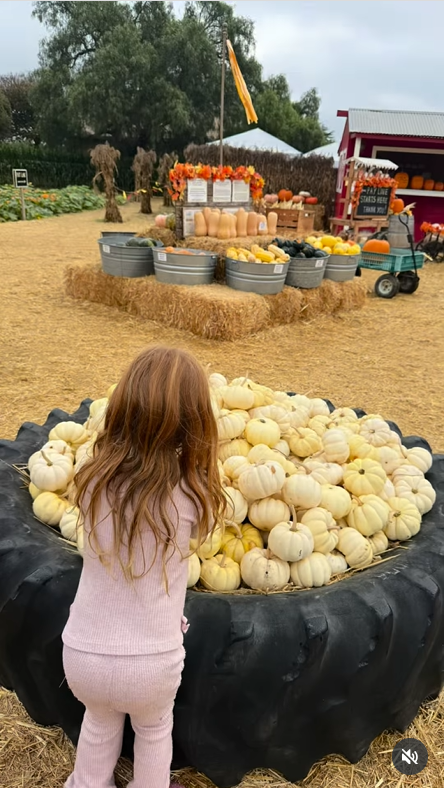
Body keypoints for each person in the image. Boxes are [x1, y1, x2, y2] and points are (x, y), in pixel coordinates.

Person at [62, 346, 225, 788]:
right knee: (154, 732)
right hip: (153, 661)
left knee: (97, 724)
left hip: (82, 654)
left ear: (122, 408)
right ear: (195, 422)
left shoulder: (91, 478)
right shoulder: (192, 495)